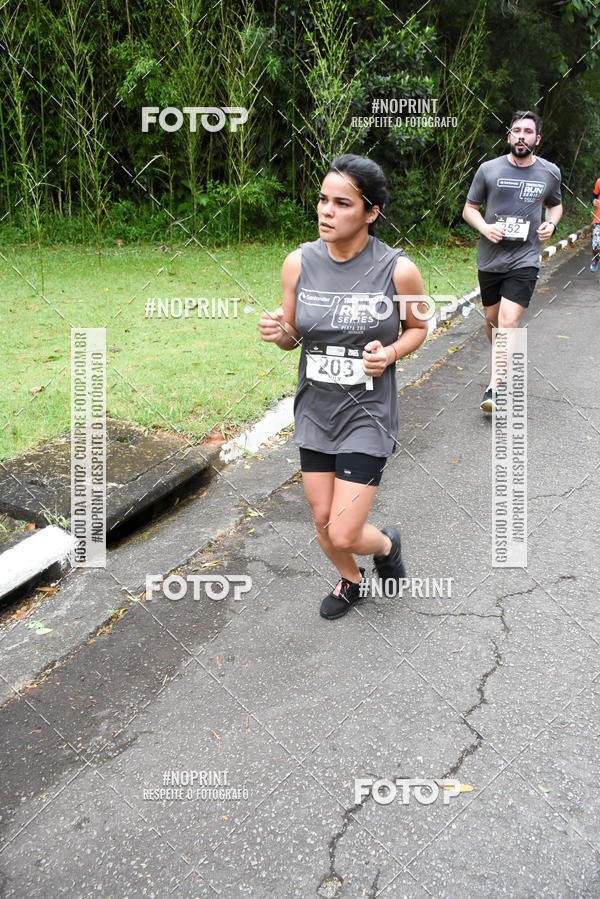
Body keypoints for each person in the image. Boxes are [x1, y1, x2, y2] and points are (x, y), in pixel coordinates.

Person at [258, 154, 428, 619]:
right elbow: (293, 334)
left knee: (344, 531)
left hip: (366, 415)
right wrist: (279, 334)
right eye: (322, 200)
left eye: (342, 203)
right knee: (321, 519)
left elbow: (418, 326)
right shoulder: (298, 263)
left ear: (370, 213)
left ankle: (386, 543)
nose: (326, 211)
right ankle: (351, 581)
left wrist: (390, 353)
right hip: (316, 411)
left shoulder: (398, 270)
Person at [462, 110, 563, 412]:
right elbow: (469, 208)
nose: (521, 136)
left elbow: (555, 206)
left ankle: (493, 387)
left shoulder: (549, 172)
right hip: (490, 259)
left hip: (526, 259)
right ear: (509, 137)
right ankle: (502, 361)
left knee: (508, 320)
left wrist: (551, 224)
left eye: (528, 131)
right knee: (492, 321)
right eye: (516, 130)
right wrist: (485, 227)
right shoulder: (488, 170)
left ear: (537, 139)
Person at [590, 176, 600, 272]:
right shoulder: (599, 181)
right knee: (595, 246)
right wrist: (593, 201)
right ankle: (596, 259)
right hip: (598, 219)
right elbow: (593, 196)